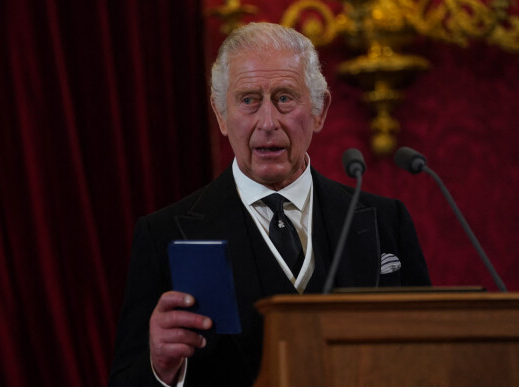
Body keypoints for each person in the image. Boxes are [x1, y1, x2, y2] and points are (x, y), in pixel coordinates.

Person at [109, 22, 431, 387]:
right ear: (220, 115)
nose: (267, 122)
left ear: (319, 110)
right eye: (248, 100)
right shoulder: (163, 235)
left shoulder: (387, 222)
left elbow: (428, 358)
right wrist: (161, 370)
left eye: (284, 98)